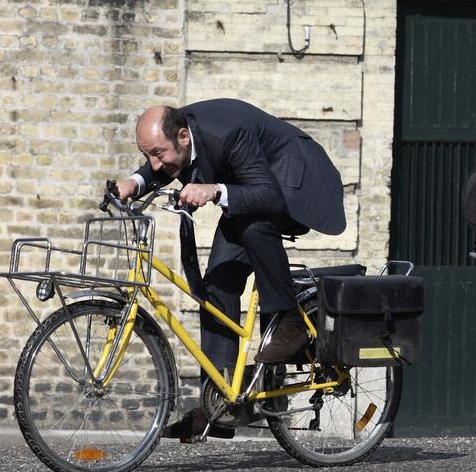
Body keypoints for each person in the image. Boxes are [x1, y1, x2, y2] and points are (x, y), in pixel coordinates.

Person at [115, 100, 346, 440]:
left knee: (253, 226)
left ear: (183, 136)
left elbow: (268, 194)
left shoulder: (228, 133)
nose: (153, 162)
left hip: (296, 182)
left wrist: (214, 190)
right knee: (218, 286)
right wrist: (134, 182)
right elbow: (162, 162)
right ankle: (219, 407)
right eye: (146, 154)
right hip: (255, 187)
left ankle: (290, 321)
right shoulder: (178, 135)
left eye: (157, 153)